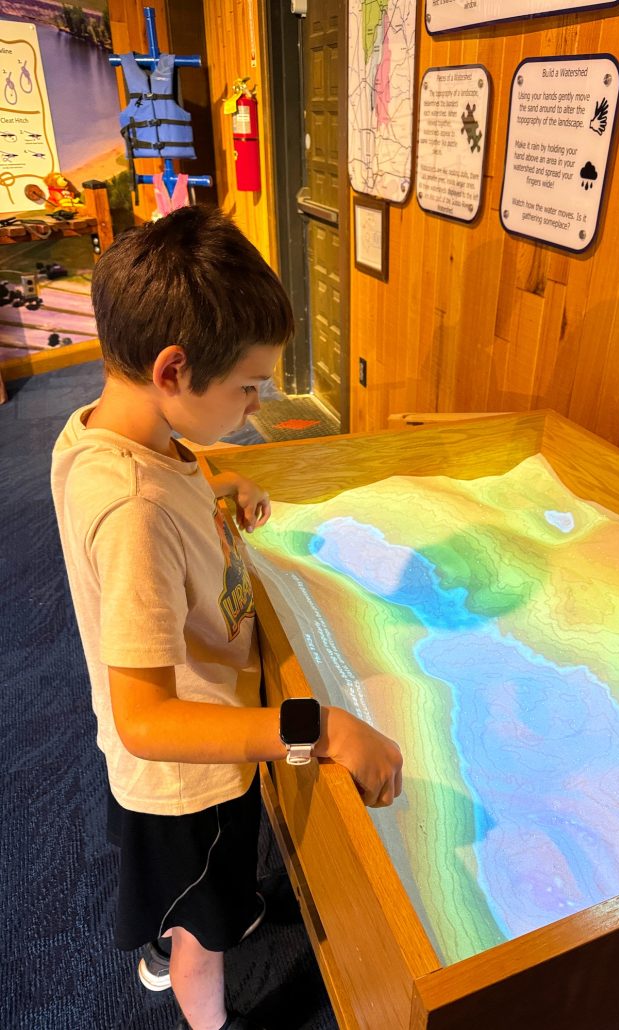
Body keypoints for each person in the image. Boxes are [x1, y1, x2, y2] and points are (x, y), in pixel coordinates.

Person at [51, 206, 403, 1030]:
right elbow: (146, 721)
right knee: (199, 936)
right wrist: (318, 731)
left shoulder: (109, 434)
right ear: (173, 371)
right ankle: (200, 1002)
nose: (254, 405)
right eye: (248, 385)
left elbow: (160, 484)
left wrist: (218, 488)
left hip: (200, 760)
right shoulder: (132, 510)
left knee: (210, 887)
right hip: (183, 786)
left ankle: (202, 913)